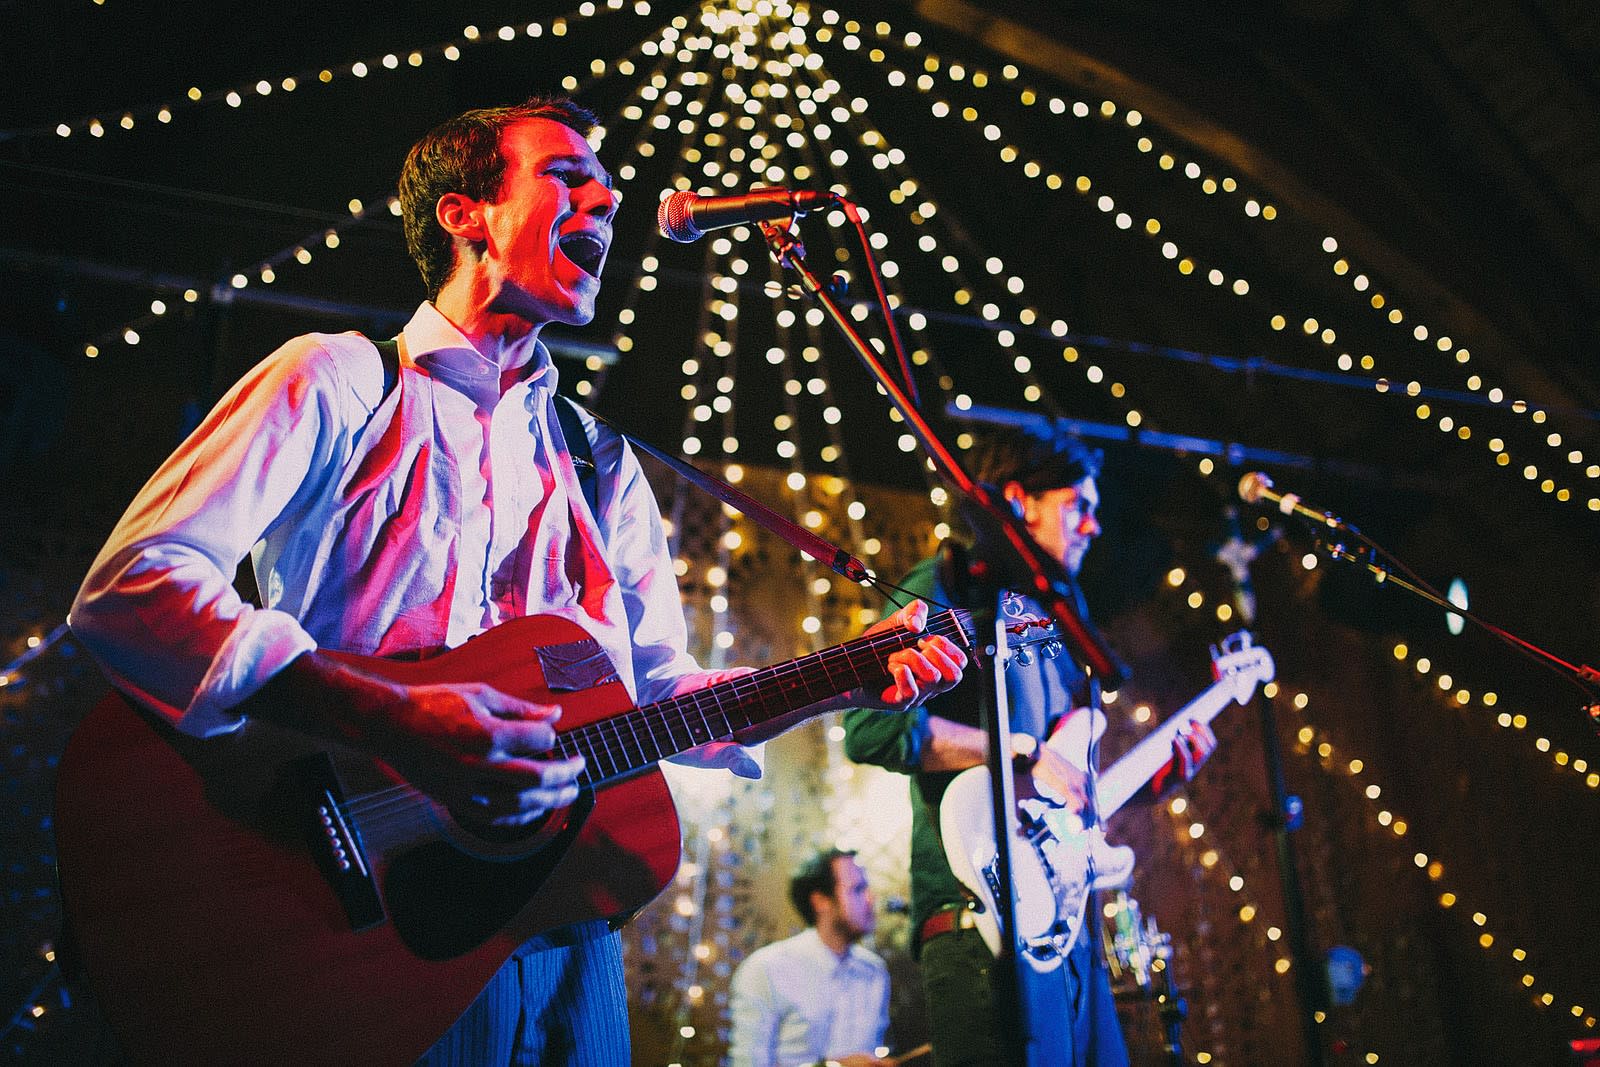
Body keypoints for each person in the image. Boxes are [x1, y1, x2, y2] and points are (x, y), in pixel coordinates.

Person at [68, 95, 966, 1066]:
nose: (608, 200)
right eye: (568, 177)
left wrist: (841, 677)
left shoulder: (600, 459)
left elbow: (657, 694)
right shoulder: (338, 380)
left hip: (569, 918)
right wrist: (394, 719)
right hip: (361, 913)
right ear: (465, 214)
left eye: (607, 187)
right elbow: (133, 584)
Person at [842, 427, 1214, 1067]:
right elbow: (868, 728)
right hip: (977, 920)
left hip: (1068, 926)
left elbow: (1060, 787)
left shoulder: (1058, 619)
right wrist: (1021, 750)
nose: (1094, 526)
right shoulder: (946, 588)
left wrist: (1156, 781)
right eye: (1079, 505)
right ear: (1019, 501)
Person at [729, 848, 892, 1067]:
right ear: (821, 901)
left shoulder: (873, 970)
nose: (871, 899)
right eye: (857, 889)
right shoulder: (767, 968)